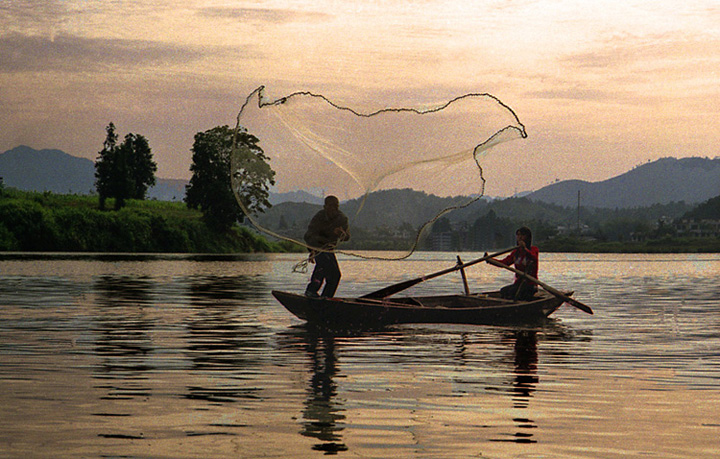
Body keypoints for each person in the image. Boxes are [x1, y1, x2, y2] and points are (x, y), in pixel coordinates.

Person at [303, 195, 350, 298]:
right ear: (325, 207)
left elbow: (346, 237)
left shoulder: (342, 219)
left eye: (336, 206)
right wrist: (312, 250)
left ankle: (326, 297)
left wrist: (341, 234)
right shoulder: (319, 217)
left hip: (329, 249)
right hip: (318, 247)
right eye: (330, 206)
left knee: (335, 275)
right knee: (323, 267)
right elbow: (309, 236)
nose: (333, 209)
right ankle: (312, 291)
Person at [497, 226, 539, 301]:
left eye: (522, 235)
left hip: (530, 285)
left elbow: (534, 257)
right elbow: (504, 263)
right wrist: (490, 261)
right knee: (503, 291)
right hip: (518, 284)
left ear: (527, 237)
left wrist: (525, 249)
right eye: (518, 235)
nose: (519, 237)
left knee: (512, 292)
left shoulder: (533, 249)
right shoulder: (516, 252)